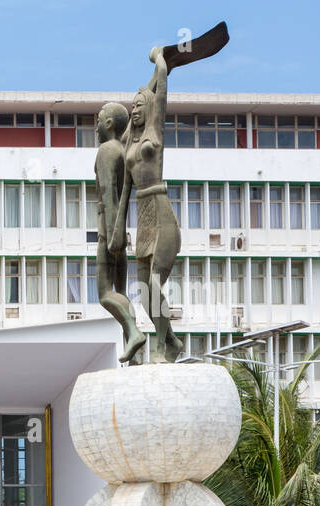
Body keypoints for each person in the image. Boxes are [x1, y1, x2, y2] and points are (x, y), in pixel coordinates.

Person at [123, 46, 184, 363]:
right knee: (144, 289)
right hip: (142, 218)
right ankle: (172, 340)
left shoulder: (153, 133)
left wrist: (160, 59)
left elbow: (158, 89)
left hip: (161, 213)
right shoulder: (129, 142)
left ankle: (161, 346)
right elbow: (147, 92)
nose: (134, 110)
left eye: (139, 106)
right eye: (131, 106)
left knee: (155, 283)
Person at [94, 101, 145, 364]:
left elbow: (108, 194)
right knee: (121, 293)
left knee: (105, 293)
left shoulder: (105, 150)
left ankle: (134, 331)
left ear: (110, 124)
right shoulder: (123, 151)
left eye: (99, 119)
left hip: (109, 229)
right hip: (122, 230)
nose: (96, 125)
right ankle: (133, 351)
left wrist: (110, 233)